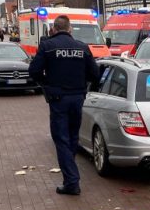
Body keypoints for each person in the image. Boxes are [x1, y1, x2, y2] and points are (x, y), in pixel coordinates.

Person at [29, 15, 98, 195]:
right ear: (70, 29)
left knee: (61, 139)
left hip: (58, 99)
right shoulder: (83, 47)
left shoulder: (47, 46)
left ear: (54, 29)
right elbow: (95, 74)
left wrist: (47, 83)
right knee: (73, 137)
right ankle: (70, 175)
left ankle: (72, 182)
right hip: (77, 98)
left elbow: (34, 71)